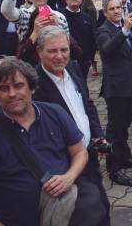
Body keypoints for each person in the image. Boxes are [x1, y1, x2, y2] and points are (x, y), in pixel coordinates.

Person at [0, 59, 105, 225]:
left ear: (32, 88)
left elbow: (79, 152)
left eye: (19, 86)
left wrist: (69, 177)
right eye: (4, 88)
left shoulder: (55, 113)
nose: (12, 93)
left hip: (64, 216)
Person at [33, 26, 110, 225]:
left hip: (89, 154)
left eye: (64, 49)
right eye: (52, 51)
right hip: (64, 165)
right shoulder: (34, 86)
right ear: (39, 52)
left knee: (103, 206)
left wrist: (98, 134)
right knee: (85, 214)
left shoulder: (73, 68)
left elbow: (88, 105)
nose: (60, 56)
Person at [96, 0, 132, 186]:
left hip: (130, 85)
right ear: (105, 12)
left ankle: (125, 157)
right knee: (114, 130)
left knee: (124, 127)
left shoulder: (124, 27)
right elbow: (107, 50)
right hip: (116, 88)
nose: (117, 11)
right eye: (112, 9)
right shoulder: (103, 31)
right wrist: (125, 29)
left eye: (119, 7)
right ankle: (114, 169)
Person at [62, 0, 97, 80]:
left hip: (83, 61)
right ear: (66, 0)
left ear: (81, 0)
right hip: (66, 61)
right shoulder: (60, 15)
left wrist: (90, 58)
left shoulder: (86, 18)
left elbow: (92, 39)